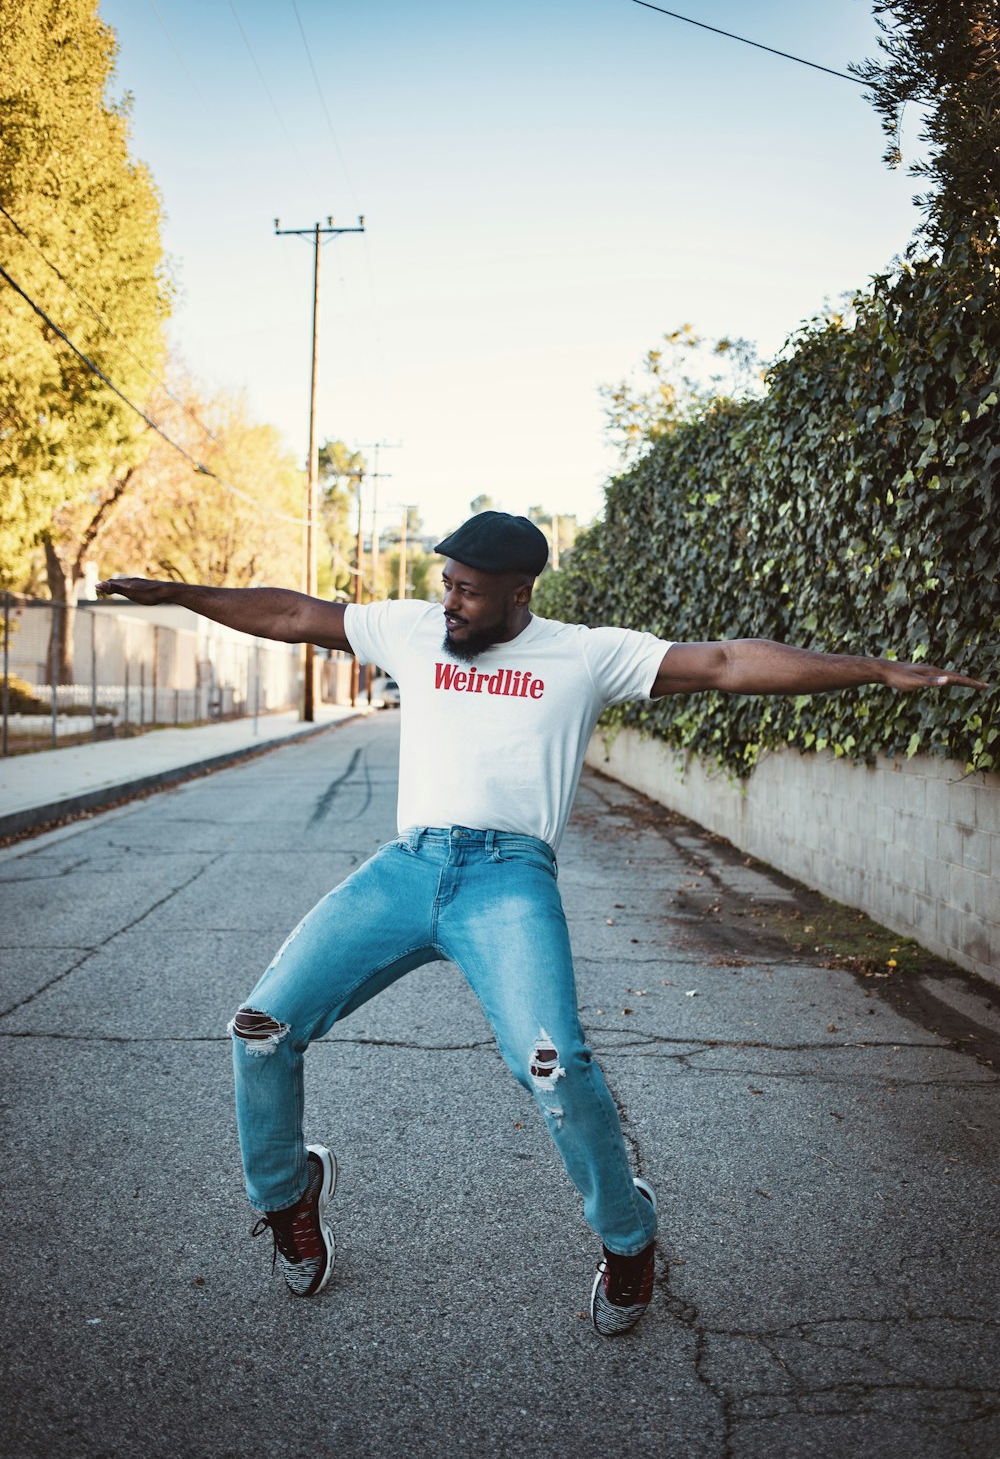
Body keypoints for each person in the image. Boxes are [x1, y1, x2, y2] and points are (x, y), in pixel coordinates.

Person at [97, 510, 985, 1336]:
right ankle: (289, 1197)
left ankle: (629, 1238)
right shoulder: (412, 628)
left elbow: (723, 664)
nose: (450, 600)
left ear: (521, 594)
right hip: (408, 867)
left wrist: (874, 669)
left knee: (555, 1069)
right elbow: (295, 613)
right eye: (446, 582)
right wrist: (182, 594)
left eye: (469, 591)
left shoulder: (587, 655)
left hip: (508, 880)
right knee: (260, 1027)